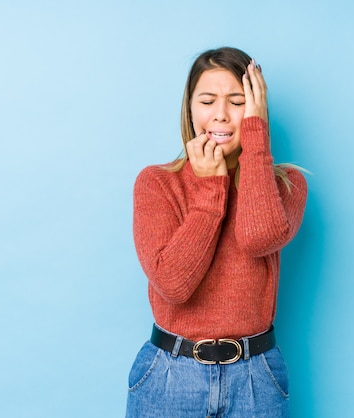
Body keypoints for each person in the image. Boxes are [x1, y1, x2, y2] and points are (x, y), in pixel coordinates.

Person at [126, 46, 307, 417]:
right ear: (190, 109)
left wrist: (255, 139)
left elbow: (259, 236)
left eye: (238, 101)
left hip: (255, 378)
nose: (221, 115)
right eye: (207, 100)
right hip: (170, 375)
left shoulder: (287, 185)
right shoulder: (157, 184)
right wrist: (211, 190)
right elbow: (174, 284)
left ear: (256, 108)